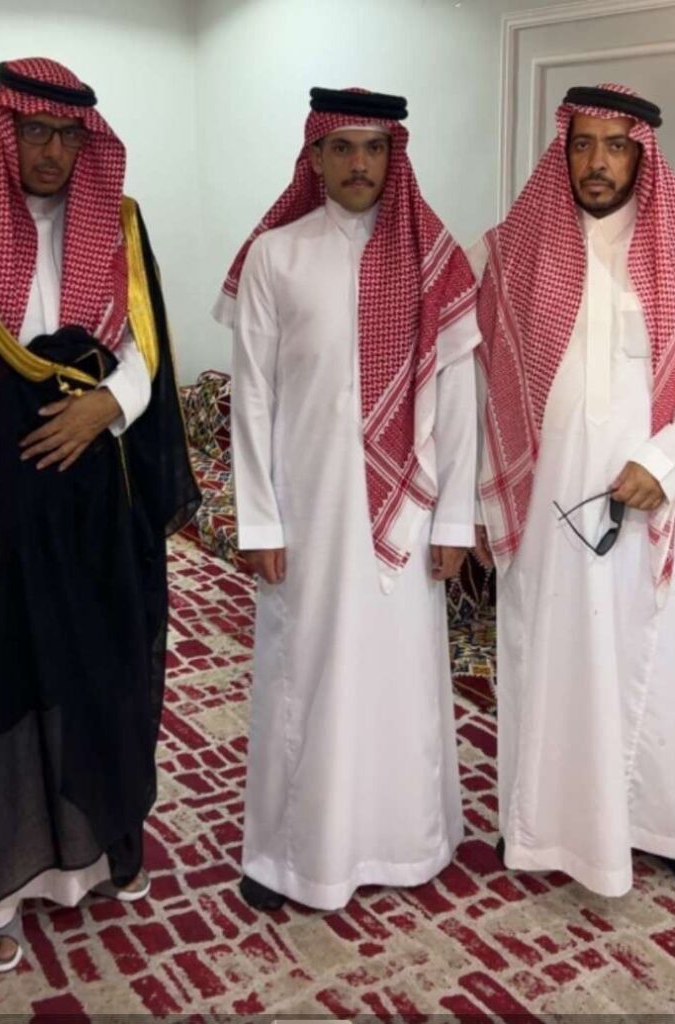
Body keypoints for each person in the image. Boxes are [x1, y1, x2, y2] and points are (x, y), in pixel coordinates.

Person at [0, 57, 198, 971]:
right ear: (4, 129)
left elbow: (147, 347)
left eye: (68, 136)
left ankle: (85, 859)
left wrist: (109, 406)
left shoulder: (119, 223)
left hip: (91, 507)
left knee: (93, 673)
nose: (52, 152)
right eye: (35, 132)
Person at [470, 84, 675, 898]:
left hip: (652, 509)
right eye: (583, 144)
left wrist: (662, 463)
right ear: (564, 148)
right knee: (543, 660)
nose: (597, 162)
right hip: (547, 504)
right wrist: (480, 500)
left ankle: (661, 832)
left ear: (641, 155)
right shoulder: (516, 249)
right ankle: (534, 823)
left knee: (653, 670)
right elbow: (477, 377)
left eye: (616, 146)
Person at [213, 87, 480, 911]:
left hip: (410, 513)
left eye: (374, 148)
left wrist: (456, 517)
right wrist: (258, 518)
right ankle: (291, 856)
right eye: (342, 148)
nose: (359, 164)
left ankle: (406, 845)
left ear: (393, 155)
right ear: (316, 157)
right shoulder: (276, 256)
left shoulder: (437, 258)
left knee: (400, 680)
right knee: (305, 673)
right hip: (308, 511)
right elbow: (251, 397)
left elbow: (459, 397)